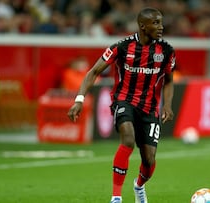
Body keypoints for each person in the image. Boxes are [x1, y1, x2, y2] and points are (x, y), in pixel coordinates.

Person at [67, 7, 175, 203]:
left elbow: (168, 80)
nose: (161, 27)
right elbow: (93, 72)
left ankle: (139, 186)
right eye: (156, 23)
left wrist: (167, 105)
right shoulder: (122, 46)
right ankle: (116, 197)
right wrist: (79, 100)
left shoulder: (166, 50)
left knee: (149, 161)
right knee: (127, 138)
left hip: (149, 108)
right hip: (123, 101)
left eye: (161, 22)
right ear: (143, 26)